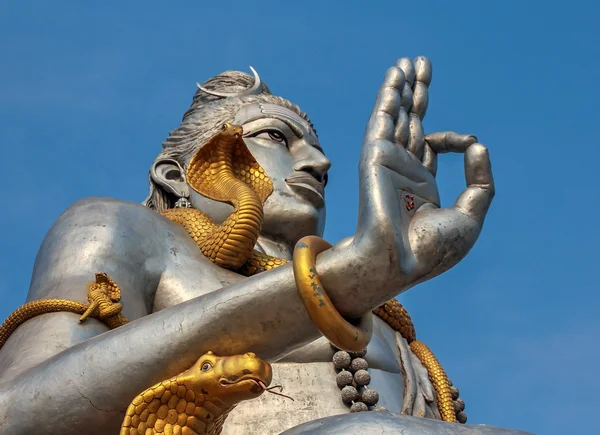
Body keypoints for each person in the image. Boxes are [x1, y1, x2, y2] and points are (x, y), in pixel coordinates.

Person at [0, 57, 502, 435]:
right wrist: (342, 280)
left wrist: (375, 270)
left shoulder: (382, 312)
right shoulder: (122, 229)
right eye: (277, 138)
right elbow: (16, 411)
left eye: (319, 151)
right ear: (176, 176)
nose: (319, 165)